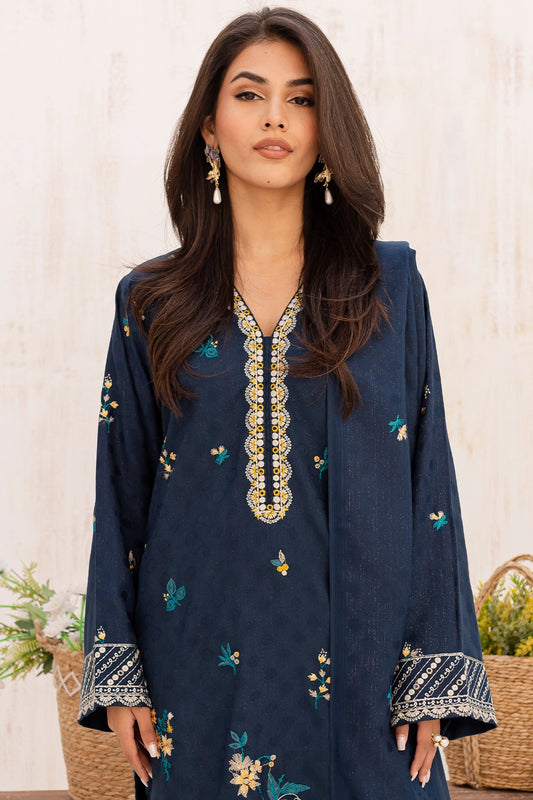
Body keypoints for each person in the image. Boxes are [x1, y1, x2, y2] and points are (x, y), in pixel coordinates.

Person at [78, 7, 496, 799]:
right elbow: (120, 494)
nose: (275, 117)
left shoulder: (385, 289)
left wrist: (431, 672)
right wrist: (120, 671)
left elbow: (428, 483)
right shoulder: (151, 301)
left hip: (364, 676)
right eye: (249, 94)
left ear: (325, 128)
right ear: (209, 126)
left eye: (301, 99)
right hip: (198, 664)